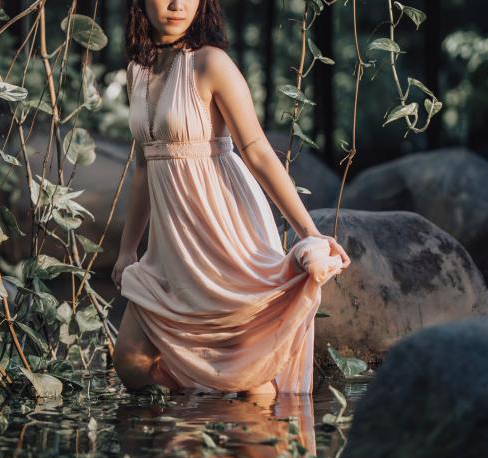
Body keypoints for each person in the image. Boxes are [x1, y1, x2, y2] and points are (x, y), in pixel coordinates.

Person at [112, 0, 352, 396]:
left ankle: (257, 439)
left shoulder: (211, 64)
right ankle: (198, 443)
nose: (176, 5)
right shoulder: (137, 70)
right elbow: (143, 167)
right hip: (170, 246)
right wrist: (127, 250)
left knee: (246, 374)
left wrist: (310, 231)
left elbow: (256, 150)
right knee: (130, 362)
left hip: (223, 231)